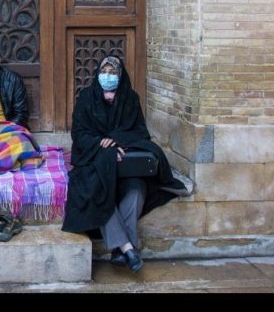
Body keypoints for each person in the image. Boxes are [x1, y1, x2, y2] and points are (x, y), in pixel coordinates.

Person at [61, 55, 187, 274]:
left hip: (125, 164)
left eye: (112, 73)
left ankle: (120, 250)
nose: (107, 77)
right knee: (97, 192)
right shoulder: (87, 98)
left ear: (120, 75)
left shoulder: (130, 99)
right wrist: (102, 144)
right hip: (94, 163)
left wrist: (118, 140)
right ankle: (128, 248)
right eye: (104, 71)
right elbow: (79, 134)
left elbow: (140, 132)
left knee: (137, 190)